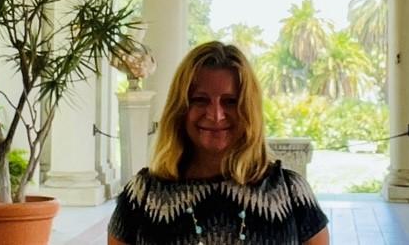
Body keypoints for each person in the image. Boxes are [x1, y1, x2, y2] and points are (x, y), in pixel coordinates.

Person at [108, 41, 329, 245]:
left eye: (230, 102)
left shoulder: (292, 194)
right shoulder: (141, 196)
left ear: (249, 110)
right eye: (200, 100)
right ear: (180, 108)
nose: (215, 115)